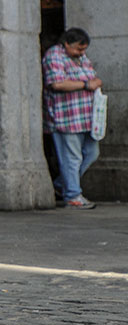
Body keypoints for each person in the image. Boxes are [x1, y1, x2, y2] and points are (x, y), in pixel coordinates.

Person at [43, 28, 104, 209]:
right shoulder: (54, 56)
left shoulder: (81, 58)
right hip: (66, 117)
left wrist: (95, 82)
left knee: (92, 153)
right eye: (78, 49)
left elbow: (93, 76)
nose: (81, 53)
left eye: (83, 50)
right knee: (72, 157)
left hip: (86, 118)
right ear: (66, 44)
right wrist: (86, 85)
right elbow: (57, 83)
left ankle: (62, 185)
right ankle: (73, 195)